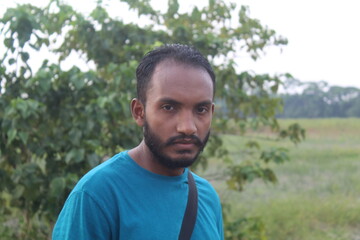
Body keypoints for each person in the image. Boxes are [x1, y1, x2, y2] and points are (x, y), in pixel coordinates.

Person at [52, 44, 224, 240]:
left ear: (211, 112)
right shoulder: (98, 194)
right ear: (139, 112)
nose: (187, 127)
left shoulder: (207, 197)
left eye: (200, 109)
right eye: (169, 107)